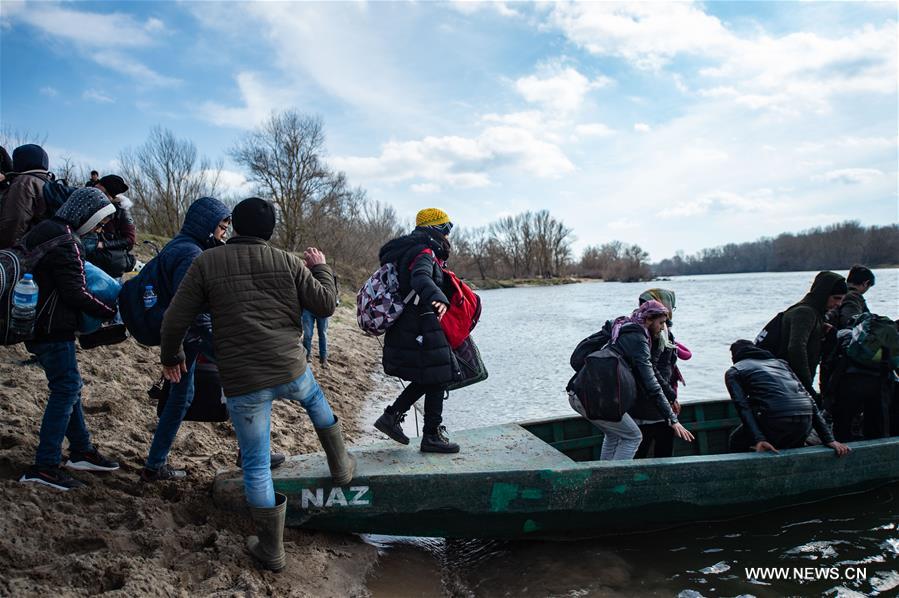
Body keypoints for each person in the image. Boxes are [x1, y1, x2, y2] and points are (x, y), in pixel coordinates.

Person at [159, 197, 353, 571]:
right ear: (270, 231)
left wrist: (172, 356)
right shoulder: (288, 262)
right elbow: (326, 304)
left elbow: (174, 320)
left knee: (256, 464)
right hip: (290, 368)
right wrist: (322, 268)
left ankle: (271, 550)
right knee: (316, 402)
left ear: (233, 228)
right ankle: (341, 466)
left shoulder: (205, 262)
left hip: (243, 380)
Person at [17, 188, 121, 491]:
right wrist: (111, 311)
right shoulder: (67, 241)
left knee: (69, 385)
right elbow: (76, 292)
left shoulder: (46, 229)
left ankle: (81, 450)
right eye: (99, 223)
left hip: (32, 321)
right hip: (52, 327)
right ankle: (45, 466)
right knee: (66, 388)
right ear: (87, 215)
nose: (99, 231)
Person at [140, 197, 232, 482]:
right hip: (189, 339)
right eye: (221, 226)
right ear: (205, 225)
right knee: (242, 381)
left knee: (182, 397)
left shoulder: (181, 246)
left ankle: (155, 465)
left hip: (182, 339)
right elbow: (186, 307)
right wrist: (213, 341)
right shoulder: (191, 254)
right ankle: (250, 453)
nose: (225, 232)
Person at [374, 208, 462, 453]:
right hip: (419, 322)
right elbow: (420, 278)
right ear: (436, 229)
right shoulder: (424, 252)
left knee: (431, 375)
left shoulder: (416, 250)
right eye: (447, 228)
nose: (448, 235)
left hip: (414, 322)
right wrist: (439, 297)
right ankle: (431, 436)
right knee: (439, 374)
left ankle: (392, 417)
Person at [569, 300, 695, 460]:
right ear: (649, 320)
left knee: (614, 435)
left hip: (578, 392)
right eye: (661, 323)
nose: (663, 328)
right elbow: (651, 383)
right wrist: (672, 418)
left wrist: (670, 397)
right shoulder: (639, 340)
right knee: (633, 437)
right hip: (593, 398)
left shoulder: (621, 327)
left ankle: (605, 475)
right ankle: (616, 478)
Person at [726, 340, 850, 456]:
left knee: (736, 440)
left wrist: (760, 439)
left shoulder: (734, 371)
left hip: (775, 420)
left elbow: (742, 407)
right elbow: (809, 399)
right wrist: (829, 439)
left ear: (734, 357)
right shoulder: (781, 364)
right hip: (804, 420)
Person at [632, 289, 691, 459]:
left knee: (643, 449)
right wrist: (670, 396)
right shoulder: (658, 333)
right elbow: (652, 369)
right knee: (661, 451)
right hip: (655, 401)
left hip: (645, 399)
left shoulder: (643, 329)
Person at [772, 271, 847, 402]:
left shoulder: (813, 313)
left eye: (841, 299)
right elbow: (796, 349)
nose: (839, 304)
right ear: (823, 294)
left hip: (789, 383)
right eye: (836, 298)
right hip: (788, 384)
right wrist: (807, 387)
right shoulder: (805, 313)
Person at [84, 174, 136, 278]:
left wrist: (103, 244)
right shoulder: (91, 203)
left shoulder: (121, 211)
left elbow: (130, 239)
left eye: (99, 187)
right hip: (91, 260)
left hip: (110, 265)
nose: (95, 189)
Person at [0, 144, 51, 249]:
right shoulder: (47, 181)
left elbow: (14, 222)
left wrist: (4, 251)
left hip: (25, 251)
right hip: (44, 248)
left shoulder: (24, 182)